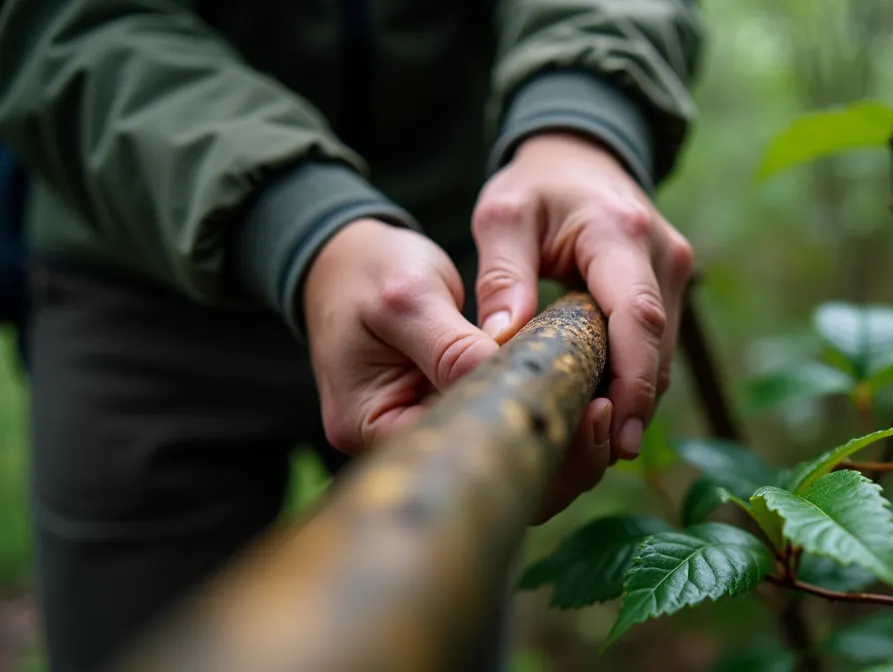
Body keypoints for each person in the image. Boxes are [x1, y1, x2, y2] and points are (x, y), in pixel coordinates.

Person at [0, 1, 702, 669]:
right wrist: (300, 222)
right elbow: (59, 21)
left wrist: (580, 120)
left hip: (456, 268)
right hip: (134, 273)